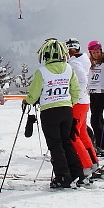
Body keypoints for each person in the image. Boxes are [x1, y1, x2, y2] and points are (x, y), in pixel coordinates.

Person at [23, 38, 84, 188]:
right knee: (66, 142)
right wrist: (70, 102)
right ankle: (77, 173)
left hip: (49, 111)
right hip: (66, 109)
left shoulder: (42, 72)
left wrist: (27, 101)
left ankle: (63, 176)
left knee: (55, 145)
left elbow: (34, 93)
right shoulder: (69, 69)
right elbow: (76, 90)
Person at [65, 38, 102, 179]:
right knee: (81, 133)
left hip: (78, 102)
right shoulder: (84, 60)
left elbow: (81, 80)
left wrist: (73, 97)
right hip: (84, 101)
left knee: (73, 134)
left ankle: (85, 165)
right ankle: (92, 162)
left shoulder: (74, 63)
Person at [86, 41, 104, 153]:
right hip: (92, 92)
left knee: (95, 120)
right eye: (93, 52)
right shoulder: (91, 62)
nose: (96, 54)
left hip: (102, 92)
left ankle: (101, 146)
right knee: (99, 119)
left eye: (97, 52)